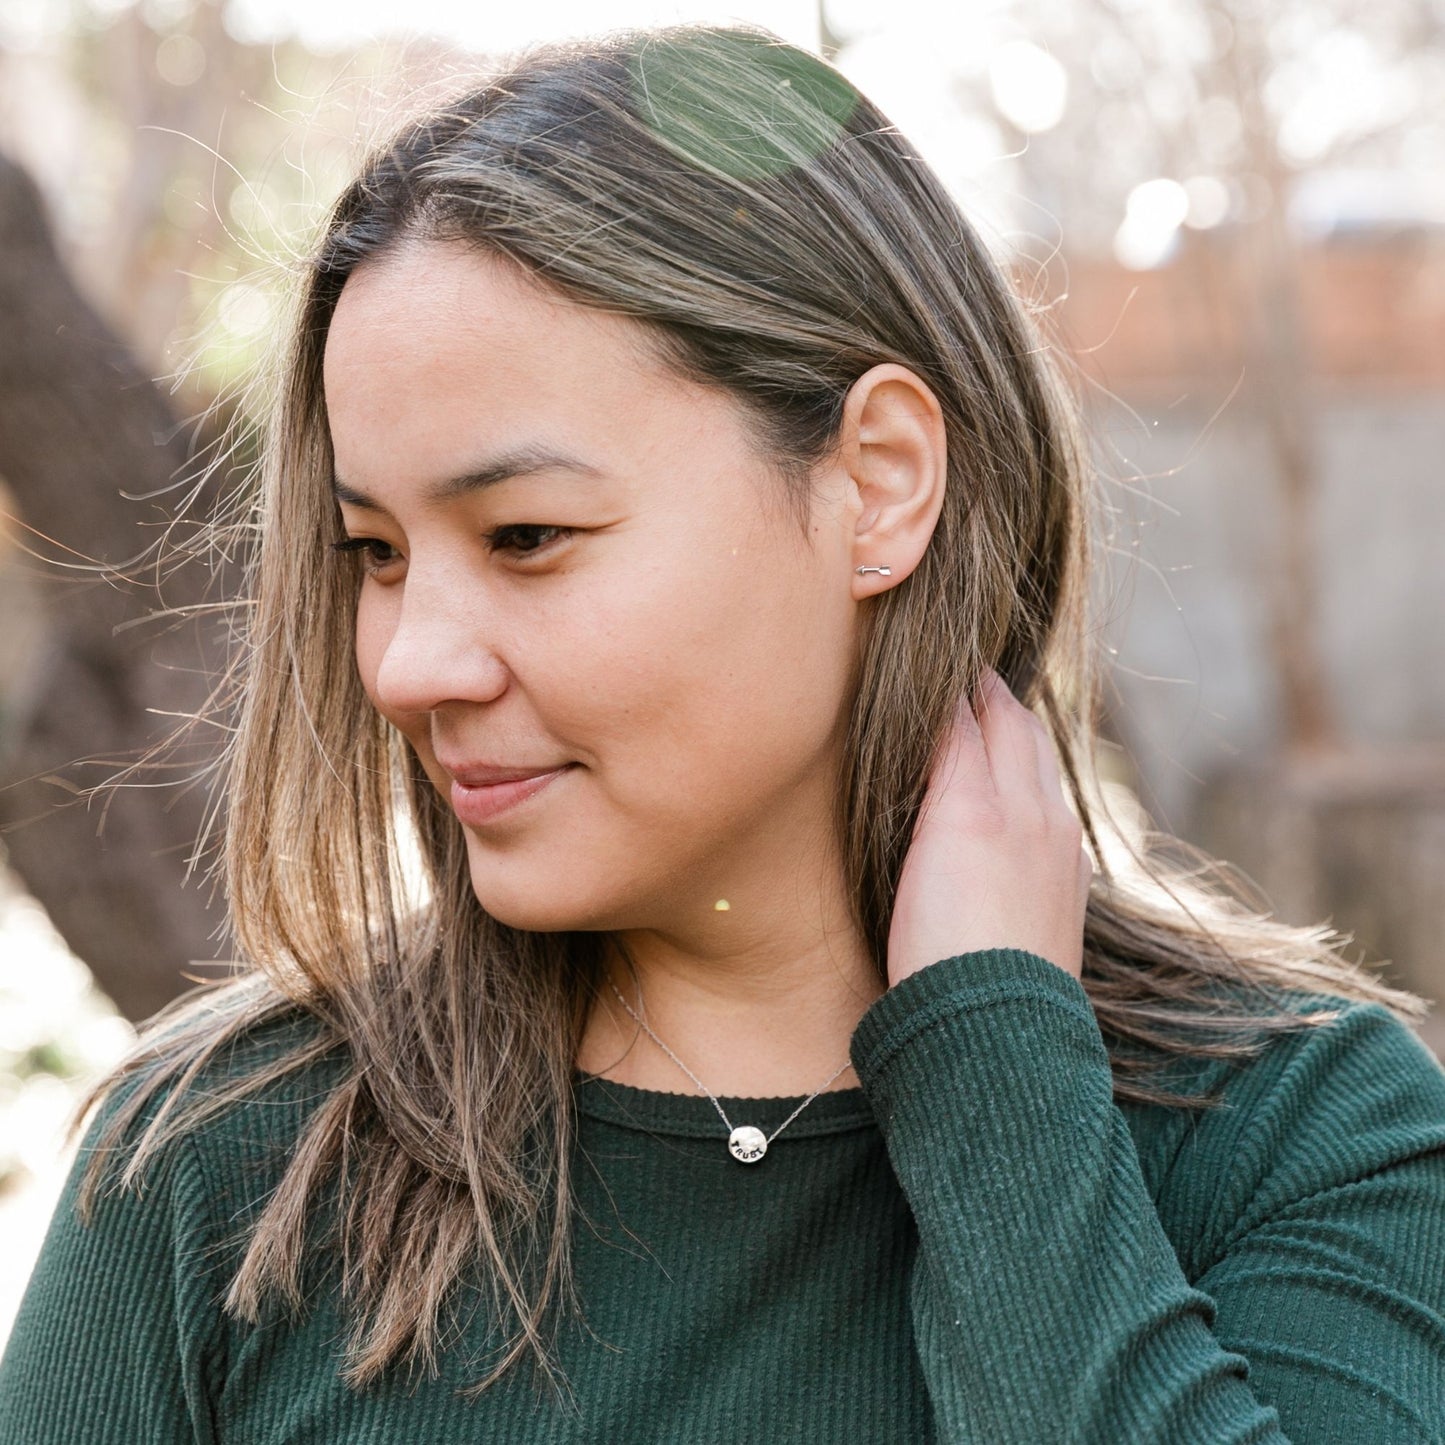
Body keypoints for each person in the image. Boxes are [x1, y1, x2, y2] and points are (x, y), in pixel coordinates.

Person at [2, 21, 1443, 1443]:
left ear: (877, 484)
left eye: (526, 535)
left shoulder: (1301, 1137)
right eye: (372, 551)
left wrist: (995, 1071)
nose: (406, 661)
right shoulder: (212, 1174)